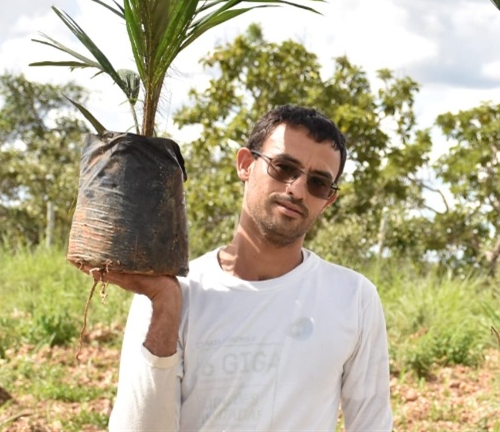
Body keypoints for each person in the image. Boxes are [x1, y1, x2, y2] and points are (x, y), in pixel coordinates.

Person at [98, 105, 393, 431]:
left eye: (318, 183)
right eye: (283, 167)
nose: (296, 189)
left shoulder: (353, 298)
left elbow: (372, 424)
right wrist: (165, 308)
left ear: (328, 200)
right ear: (245, 164)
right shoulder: (173, 294)